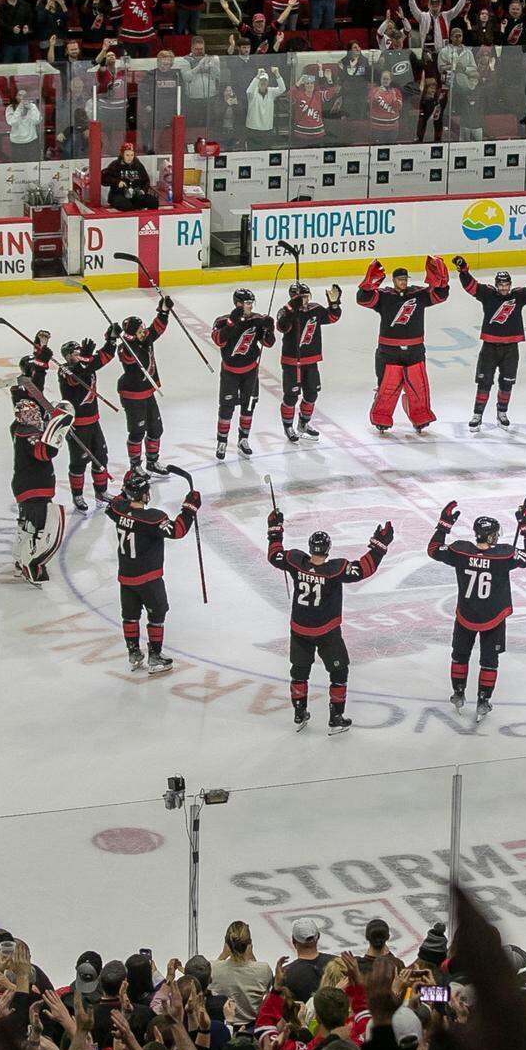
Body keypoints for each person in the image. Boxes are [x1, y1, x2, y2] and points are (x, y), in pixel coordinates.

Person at [266, 508, 393, 732]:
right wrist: (379, 545)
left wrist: (275, 530)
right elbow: (364, 569)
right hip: (327, 632)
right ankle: (336, 716)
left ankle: (299, 711)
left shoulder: (296, 561)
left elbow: (274, 555)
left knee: (299, 670)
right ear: (328, 549)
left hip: (300, 628)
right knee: (339, 672)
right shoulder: (336, 569)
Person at [427, 501, 526, 719]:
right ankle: (483, 700)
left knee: (459, 656)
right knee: (489, 661)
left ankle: (458, 693)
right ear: (490, 537)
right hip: (493, 618)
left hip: (465, 615)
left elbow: (433, 550)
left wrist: (444, 525)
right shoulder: (505, 555)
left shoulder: (460, 550)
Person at [105, 466, 201, 673]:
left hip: (126, 577)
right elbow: (178, 531)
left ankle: (133, 653)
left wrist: (129, 485)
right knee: (157, 614)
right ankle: (155, 657)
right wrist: (190, 508)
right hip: (149, 578)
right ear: (142, 493)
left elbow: (113, 503)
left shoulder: (118, 509)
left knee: (130, 615)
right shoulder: (153, 518)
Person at [450, 256, 526, 430]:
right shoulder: (488, 294)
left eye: (506, 285)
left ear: (510, 284)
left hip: (511, 349)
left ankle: (502, 412)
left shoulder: (518, 296)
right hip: (489, 347)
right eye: (501, 285)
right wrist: (463, 270)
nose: (504, 288)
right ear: (496, 284)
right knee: (484, 383)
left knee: (507, 383)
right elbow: (470, 286)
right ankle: (477, 414)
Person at [358, 258, 449, 435]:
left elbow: (440, 295)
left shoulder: (418, 294)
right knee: (387, 386)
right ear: (394, 281)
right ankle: (381, 417)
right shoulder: (385, 296)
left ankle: (420, 415)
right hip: (388, 350)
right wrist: (368, 284)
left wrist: (442, 281)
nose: (404, 282)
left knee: (417, 385)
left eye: (406, 279)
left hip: (415, 349)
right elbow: (363, 299)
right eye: (400, 279)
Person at [10, 396, 69, 585]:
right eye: (30, 414)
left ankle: (21, 560)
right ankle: (31, 564)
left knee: (27, 526)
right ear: (23, 417)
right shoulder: (29, 434)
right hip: (34, 488)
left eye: (35, 412)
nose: (35, 416)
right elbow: (45, 453)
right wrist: (59, 428)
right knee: (38, 529)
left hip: (26, 486)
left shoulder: (18, 428)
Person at [210, 288, 276, 460]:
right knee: (226, 407)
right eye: (247, 303)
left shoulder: (257, 320)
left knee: (248, 406)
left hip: (250, 372)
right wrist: (232, 322)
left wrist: (269, 329)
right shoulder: (223, 321)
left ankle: (243, 439)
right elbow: (218, 340)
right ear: (238, 304)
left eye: (251, 303)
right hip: (230, 373)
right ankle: (222, 441)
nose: (250, 306)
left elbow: (268, 343)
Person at [275, 281, 342, 443]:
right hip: (292, 361)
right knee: (291, 396)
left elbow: (332, 318)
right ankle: (288, 426)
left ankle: (303, 424)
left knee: (312, 393)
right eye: (300, 297)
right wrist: (292, 309)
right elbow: (282, 327)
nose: (304, 300)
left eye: (306, 296)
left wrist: (334, 304)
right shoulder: (285, 311)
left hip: (311, 360)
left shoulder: (315, 309)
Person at [57, 334, 117, 510]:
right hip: (77, 424)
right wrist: (84, 358)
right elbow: (77, 377)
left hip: (93, 421)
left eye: (79, 352)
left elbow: (104, 357)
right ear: (67, 357)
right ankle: (78, 496)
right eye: (75, 353)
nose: (77, 354)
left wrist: (111, 340)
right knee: (78, 463)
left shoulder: (85, 363)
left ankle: (101, 492)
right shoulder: (64, 370)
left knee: (101, 457)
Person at [117, 299, 171, 474]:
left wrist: (163, 311)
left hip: (148, 392)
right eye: (140, 331)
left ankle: (152, 462)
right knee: (137, 432)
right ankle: (135, 465)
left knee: (156, 429)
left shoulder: (145, 337)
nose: (144, 332)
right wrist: (130, 341)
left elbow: (157, 329)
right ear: (132, 334)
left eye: (143, 329)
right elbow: (129, 358)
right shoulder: (125, 347)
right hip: (132, 395)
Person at [103, 144, 156, 209]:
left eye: (132, 155)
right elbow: (104, 178)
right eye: (127, 155)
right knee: (126, 205)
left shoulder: (138, 165)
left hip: (135, 195)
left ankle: (148, 217)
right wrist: (117, 182)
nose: (130, 157)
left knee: (153, 201)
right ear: (122, 155)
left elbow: (146, 180)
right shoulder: (115, 165)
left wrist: (143, 190)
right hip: (118, 195)